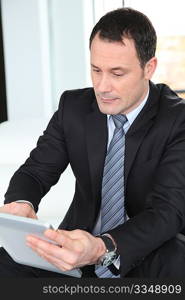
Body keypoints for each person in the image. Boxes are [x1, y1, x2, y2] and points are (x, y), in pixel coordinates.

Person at [0, 7, 185, 278]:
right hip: (77, 251)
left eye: (117, 73)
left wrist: (102, 247)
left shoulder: (177, 120)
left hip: (149, 252)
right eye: (96, 70)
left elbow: (168, 211)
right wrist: (21, 203)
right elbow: (35, 171)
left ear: (149, 68)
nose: (102, 86)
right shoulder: (73, 107)